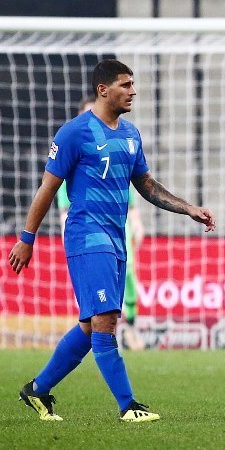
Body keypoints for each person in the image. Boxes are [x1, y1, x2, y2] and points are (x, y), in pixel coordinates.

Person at [8, 59, 216, 422]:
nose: (133, 91)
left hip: (117, 240)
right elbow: (47, 188)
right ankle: (128, 406)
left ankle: (38, 389)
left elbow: (146, 185)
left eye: (133, 84)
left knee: (90, 326)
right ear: (103, 90)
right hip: (87, 237)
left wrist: (188, 209)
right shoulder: (74, 133)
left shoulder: (131, 135)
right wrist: (27, 239)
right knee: (105, 321)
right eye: (125, 84)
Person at [57, 95, 146, 351]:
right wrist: (64, 222)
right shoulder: (73, 149)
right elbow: (62, 193)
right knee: (95, 278)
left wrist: (136, 219)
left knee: (128, 272)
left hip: (118, 221)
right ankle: (97, 329)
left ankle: (129, 325)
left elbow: (128, 186)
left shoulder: (116, 145)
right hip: (88, 225)